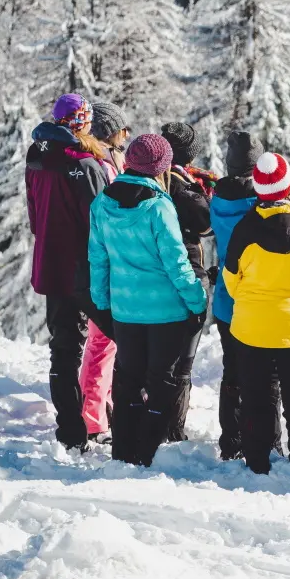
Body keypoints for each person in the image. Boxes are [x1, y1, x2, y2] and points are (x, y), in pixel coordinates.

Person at [87, 134, 210, 466]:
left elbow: (98, 260)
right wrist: (197, 301)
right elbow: (176, 262)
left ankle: (124, 451)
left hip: (125, 311)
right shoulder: (159, 206)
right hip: (165, 312)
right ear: (160, 168)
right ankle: (149, 453)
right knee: (162, 383)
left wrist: (102, 303)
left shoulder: (102, 203)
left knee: (127, 383)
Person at [221, 152, 290, 475]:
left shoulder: (244, 230)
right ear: (288, 185)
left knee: (255, 398)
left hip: (251, 331)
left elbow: (231, 281)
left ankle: (257, 462)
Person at [24, 92, 111, 450]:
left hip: (51, 264)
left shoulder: (37, 157)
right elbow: (102, 222)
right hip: (85, 269)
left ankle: (71, 432)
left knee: (63, 350)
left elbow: (34, 214)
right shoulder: (85, 165)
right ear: (82, 123)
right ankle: (115, 422)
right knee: (122, 339)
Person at [209, 130, 283, 462]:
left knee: (233, 371)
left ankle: (232, 440)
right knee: (267, 375)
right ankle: (270, 440)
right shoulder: (258, 203)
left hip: (227, 299)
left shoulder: (217, 199)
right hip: (260, 299)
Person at [78, 99, 130, 442]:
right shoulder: (100, 167)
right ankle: (93, 417)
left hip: (106, 264)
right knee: (103, 341)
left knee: (106, 342)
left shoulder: (107, 162)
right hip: (104, 265)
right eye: (122, 130)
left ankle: (100, 406)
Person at [159, 121, 214, 442]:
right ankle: (172, 430)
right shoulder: (181, 185)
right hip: (186, 272)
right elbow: (205, 222)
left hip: (154, 275)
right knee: (182, 361)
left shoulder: (151, 177)